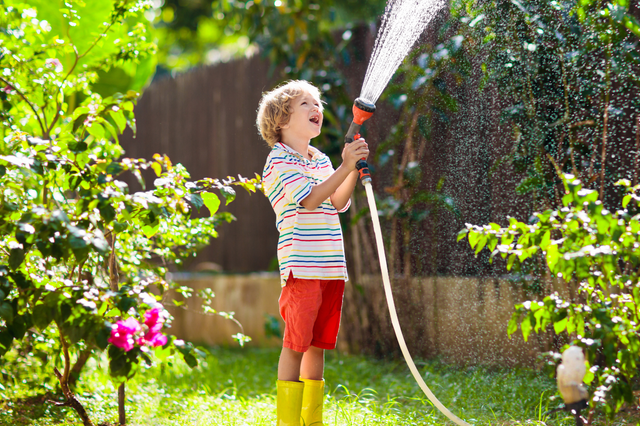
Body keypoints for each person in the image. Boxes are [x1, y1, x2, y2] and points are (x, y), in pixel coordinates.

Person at [257, 80, 369, 425]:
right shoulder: (278, 161)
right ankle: (289, 422)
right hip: (303, 267)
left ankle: (312, 421)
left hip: (331, 267)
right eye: (306, 103)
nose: (316, 108)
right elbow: (309, 199)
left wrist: (348, 167)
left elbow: (337, 201)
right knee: (296, 343)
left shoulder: (319, 159)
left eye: (317, 102)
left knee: (317, 345)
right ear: (281, 121)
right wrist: (344, 167)